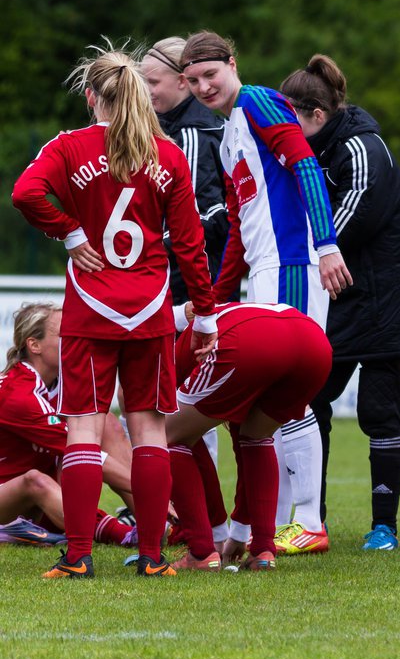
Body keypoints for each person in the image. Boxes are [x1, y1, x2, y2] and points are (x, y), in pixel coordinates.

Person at [12, 44, 218, 578]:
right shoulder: (166, 154)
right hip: (149, 311)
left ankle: (78, 557)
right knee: (148, 430)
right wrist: (205, 315)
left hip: (88, 311)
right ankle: (151, 558)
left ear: (90, 97)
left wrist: (69, 231)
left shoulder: (69, 147)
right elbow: (191, 247)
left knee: (83, 430)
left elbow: (24, 193)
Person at [180, 31, 351, 557]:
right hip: (265, 269)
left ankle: (306, 521)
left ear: (233, 64)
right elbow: (236, 225)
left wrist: (326, 244)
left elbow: (303, 164)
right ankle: (259, 529)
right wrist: (215, 299)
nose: (204, 86)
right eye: (193, 80)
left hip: (293, 262)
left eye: (211, 73)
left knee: (286, 395)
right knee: (262, 407)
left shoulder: (255, 100)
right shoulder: (229, 131)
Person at [282, 54, 400, 552]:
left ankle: (383, 526)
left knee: (378, 410)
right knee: (313, 399)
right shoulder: (312, 152)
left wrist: (300, 257)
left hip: (390, 296)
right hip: (341, 294)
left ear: (316, 117)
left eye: (290, 120)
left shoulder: (362, 147)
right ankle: (310, 518)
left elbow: (348, 220)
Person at [141, 35, 230, 547]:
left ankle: (202, 523)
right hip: (181, 287)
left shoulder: (192, 135)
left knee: (184, 409)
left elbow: (194, 222)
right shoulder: (173, 129)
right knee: (179, 408)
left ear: (182, 81)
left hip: (185, 290)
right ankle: (196, 519)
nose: (147, 92)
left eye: (153, 83)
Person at [165, 301, 333, 572]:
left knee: (167, 435)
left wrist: (215, 536)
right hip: (313, 342)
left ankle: (201, 552)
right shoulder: (215, 317)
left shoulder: (180, 346)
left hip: (251, 341)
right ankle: (263, 551)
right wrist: (239, 534)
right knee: (255, 436)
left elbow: (180, 436)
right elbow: (239, 442)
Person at [0, 302, 137, 547]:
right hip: (15, 496)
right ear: (34, 345)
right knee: (37, 480)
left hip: (39, 499)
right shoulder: (18, 394)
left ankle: (152, 522)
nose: (76, 340)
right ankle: (127, 533)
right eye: (66, 334)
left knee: (103, 421)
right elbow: (80, 452)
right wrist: (145, 486)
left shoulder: (62, 382)